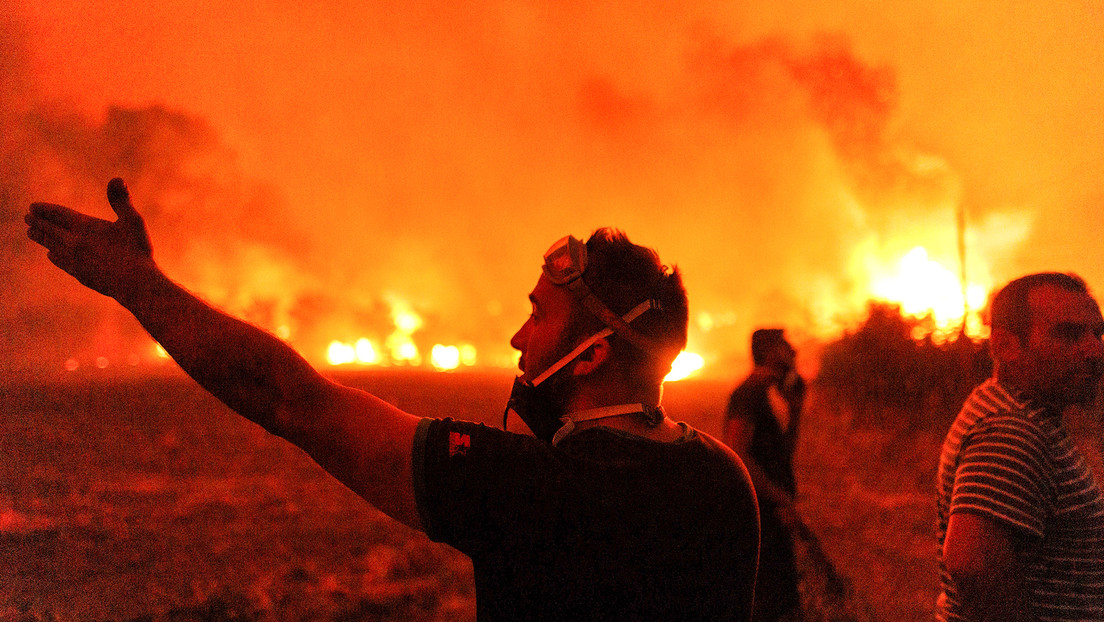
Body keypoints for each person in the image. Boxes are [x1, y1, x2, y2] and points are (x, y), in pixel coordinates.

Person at [24, 179, 760, 621]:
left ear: (593, 353)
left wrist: (138, 286)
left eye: (539, 316)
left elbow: (290, 401)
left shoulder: (531, 488)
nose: (516, 338)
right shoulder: (725, 479)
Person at [936, 272, 1104, 621]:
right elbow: (972, 565)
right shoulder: (1011, 430)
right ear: (1005, 346)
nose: (1094, 351)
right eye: (1069, 333)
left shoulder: (1012, 408)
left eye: (1097, 333)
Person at [724, 328, 804, 621]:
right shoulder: (748, 394)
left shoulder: (771, 395)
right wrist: (780, 497)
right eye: (785, 344)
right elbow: (738, 455)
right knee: (771, 604)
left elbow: (783, 455)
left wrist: (796, 411)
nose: (793, 350)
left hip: (774, 512)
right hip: (760, 515)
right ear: (770, 351)